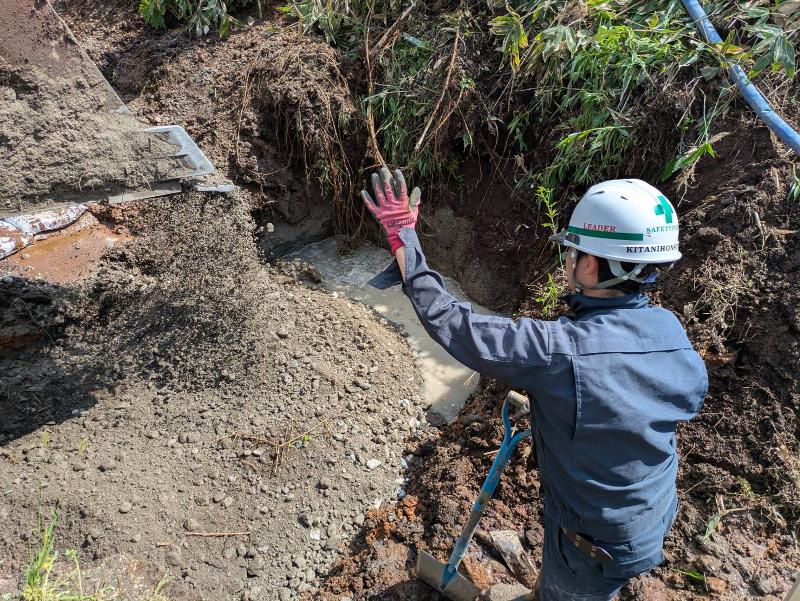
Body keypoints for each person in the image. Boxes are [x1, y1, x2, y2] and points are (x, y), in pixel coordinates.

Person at [362, 167, 708, 601]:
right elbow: (680, 399)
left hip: (592, 543)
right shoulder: (670, 330)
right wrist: (576, 411)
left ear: (590, 264)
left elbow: (450, 321)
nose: (569, 259)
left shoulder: (558, 351)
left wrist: (403, 236)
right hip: (652, 513)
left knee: (570, 589)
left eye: (573, 251)